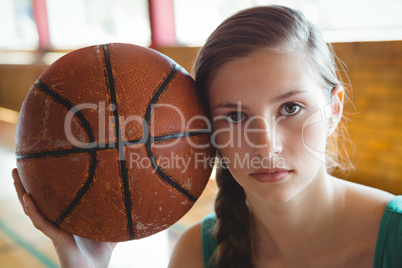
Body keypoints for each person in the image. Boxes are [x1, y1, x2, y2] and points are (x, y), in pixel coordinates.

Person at [12, 5, 402, 268]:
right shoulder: (194, 254)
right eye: (234, 115)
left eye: (290, 108)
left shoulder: (395, 238)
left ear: (333, 108)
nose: (265, 145)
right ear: (203, 131)